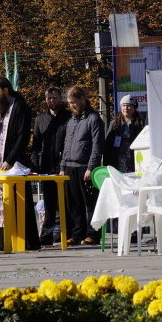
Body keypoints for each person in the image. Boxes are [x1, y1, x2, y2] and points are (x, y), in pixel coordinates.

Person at [0, 76, 40, 250]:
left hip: (14, 164)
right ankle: (3, 241)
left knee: (20, 202)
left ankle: (26, 242)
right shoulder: (1, 107)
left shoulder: (19, 106)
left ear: (5, 89)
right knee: (0, 201)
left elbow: (22, 137)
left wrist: (10, 159)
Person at [58, 85, 104, 246]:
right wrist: (63, 166)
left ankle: (93, 233)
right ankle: (76, 234)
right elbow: (66, 144)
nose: (72, 106)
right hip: (70, 166)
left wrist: (91, 167)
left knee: (89, 202)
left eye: (74, 102)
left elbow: (97, 146)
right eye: (69, 103)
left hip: (85, 166)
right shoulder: (71, 121)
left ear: (82, 99)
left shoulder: (93, 119)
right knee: (73, 203)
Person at [31, 87, 70, 245]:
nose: (52, 101)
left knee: (66, 201)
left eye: (55, 97)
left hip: (63, 164)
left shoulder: (68, 117)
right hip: (46, 165)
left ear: (60, 98)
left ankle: (68, 233)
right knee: (48, 202)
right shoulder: (40, 118)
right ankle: (46, 234)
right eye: (49, 98)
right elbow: (36, 143)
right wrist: (35, 162)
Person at [104, 94, 146, 173]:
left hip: (135, 161)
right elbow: (107, 146)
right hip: (118, 161)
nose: (126, 108)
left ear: (134, 108)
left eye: (129, 106)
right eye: (124, 105)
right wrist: (106, 164)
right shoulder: (114, 124)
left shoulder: (141, 123)